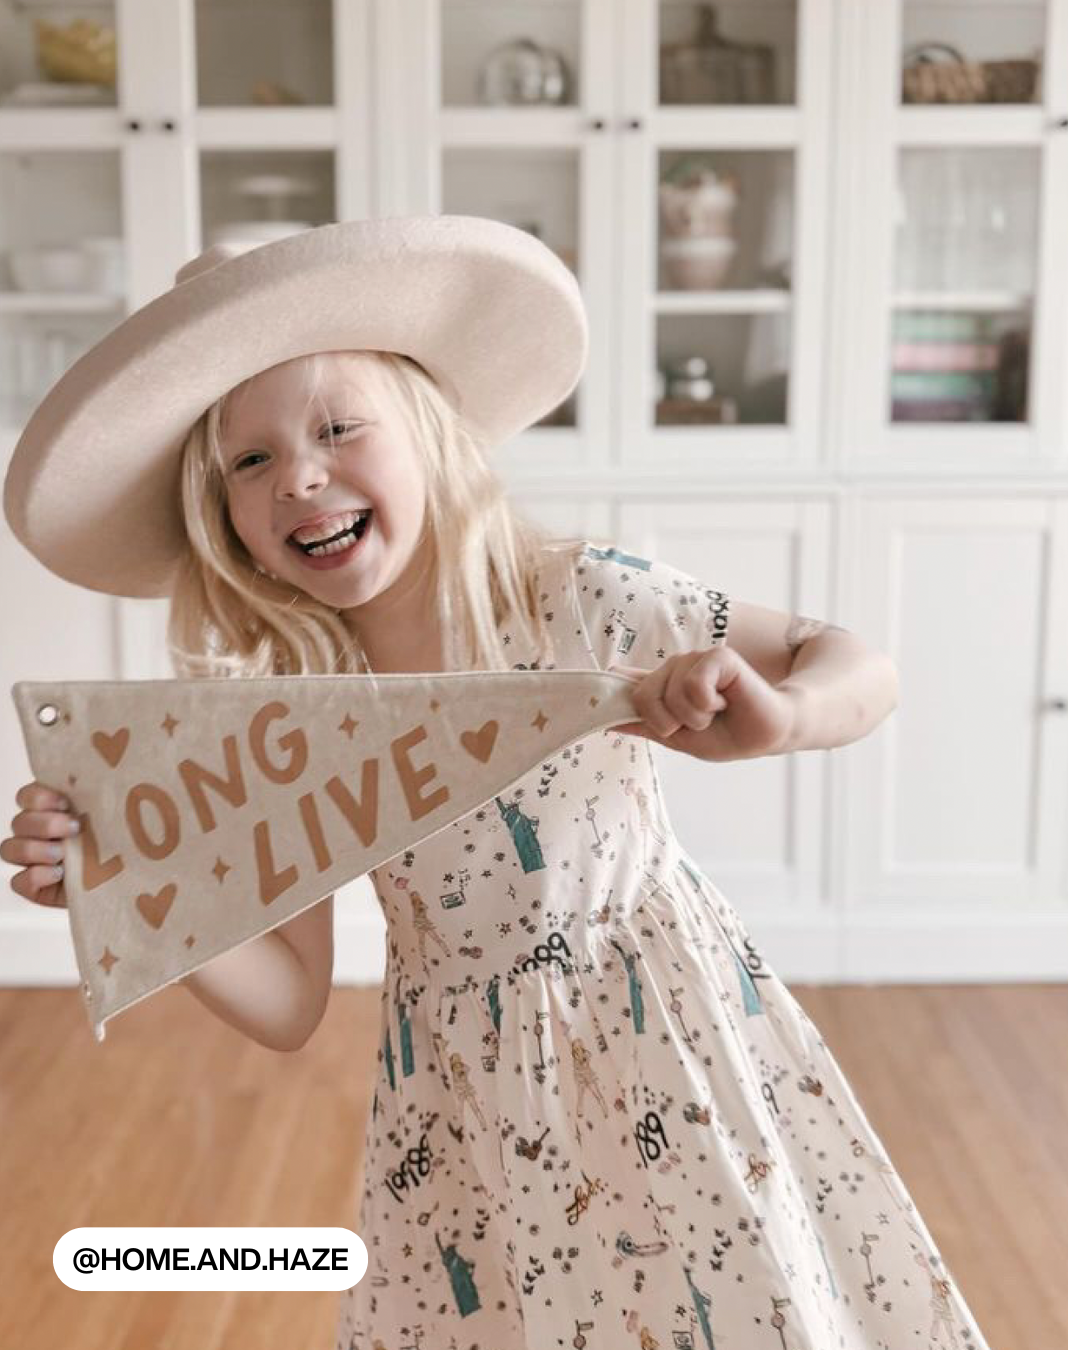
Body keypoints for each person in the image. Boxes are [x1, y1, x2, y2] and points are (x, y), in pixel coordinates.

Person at [1, 216, 993, 1348]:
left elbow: (852, 658)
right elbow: (288, 1003)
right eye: (252, 460)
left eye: (336, 428)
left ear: (426, 431)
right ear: (222, 515)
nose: (301, 478)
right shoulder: (296, 711)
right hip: (465, 1107)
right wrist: (124, 886)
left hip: (668, 1042)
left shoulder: (580, 601)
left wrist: (787, 716)